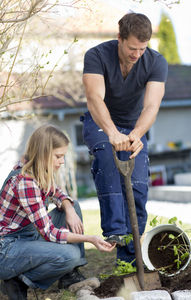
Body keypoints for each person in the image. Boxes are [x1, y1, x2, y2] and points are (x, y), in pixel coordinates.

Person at [81, 12, 168, 265]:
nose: (137, 54)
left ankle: (130, 259)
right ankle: (116, 230)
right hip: (100, 122)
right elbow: (94, 98)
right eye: (132, 47)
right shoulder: (96, 55)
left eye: (142, 48)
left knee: (138, 184)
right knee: (108, 157)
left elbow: (151, 106)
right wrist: (111, 132)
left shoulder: (155, 62)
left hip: (133, 126)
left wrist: (137, 134)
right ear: (119, 38)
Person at [0, 124, 115, 300]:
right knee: (70, 255)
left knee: (72, 205)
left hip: (26, 236)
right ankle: (18, 280)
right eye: (58, 156)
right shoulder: (25, 181)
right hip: (7, 249)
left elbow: (57, 193)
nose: (62, 161)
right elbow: (50, 233)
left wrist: (68, 208)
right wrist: (91, 239)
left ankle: (69, 275)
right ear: (43, 153)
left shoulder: (37, 169)